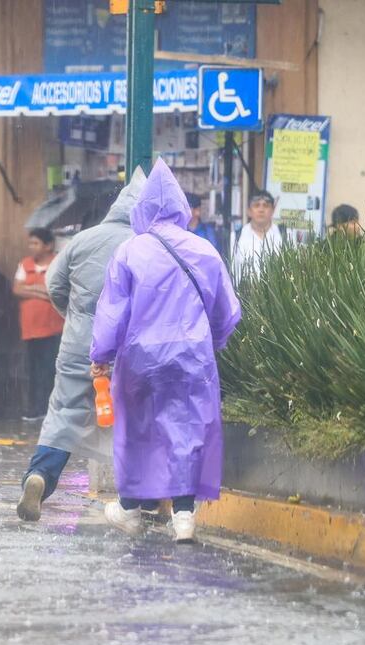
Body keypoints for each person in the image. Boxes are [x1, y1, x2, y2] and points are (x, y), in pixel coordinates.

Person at [90, 159, 241, 542]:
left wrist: (100, 356)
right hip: (192, 356)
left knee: (137, 429)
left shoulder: (129, 251)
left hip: (140, 356)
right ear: (180, 206)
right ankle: (185, 517)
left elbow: (112, 312)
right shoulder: (204, 250)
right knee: (189, 430)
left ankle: (129, 508)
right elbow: (225, 310)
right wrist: (214, 343)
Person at [16, 169, 145, 523]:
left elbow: (55, 284)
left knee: (64, 414)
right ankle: (131, 497)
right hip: (123, 349)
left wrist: (73, 318)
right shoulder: (142, 244)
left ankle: (39, 476)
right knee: (128, 421)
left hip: (76, 346)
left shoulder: (83, 239)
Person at [13, 228, 65, 421]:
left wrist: (31, 289)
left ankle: (49, 408)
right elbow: (17, 289)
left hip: (52, 328)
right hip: (30, 329)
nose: (31, 247)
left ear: (48, 245)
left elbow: (55, 291)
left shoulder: (57, 263)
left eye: (35, 243)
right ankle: (34, 407)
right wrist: (39, 290)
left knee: (50, 369)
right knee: (33, 370)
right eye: (30, 243)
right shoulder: (25, 264)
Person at [232, 190, 282, 281]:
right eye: (256, 205)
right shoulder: (235, 237)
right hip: (243, 293)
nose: (261, 210)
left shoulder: (284, 235)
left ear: (273, 210)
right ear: (249, 211)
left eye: (266, 206)